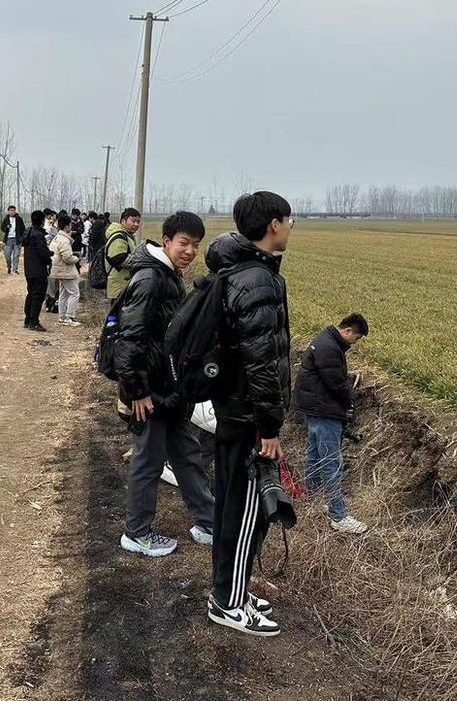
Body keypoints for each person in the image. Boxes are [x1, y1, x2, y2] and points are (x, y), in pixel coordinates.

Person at [206, 191, 293, 638]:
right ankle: (228, 602)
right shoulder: (258, 279)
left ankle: (230, 589)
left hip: (233, 410)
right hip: (247, 417)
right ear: (273, 225)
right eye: (289, 220)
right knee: (244, 512)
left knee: (231, 505)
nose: (291, 228)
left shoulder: (238, 270)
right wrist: (269, 427)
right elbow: (261, 362)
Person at [116, 211, 215, 557]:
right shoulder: (149, 278)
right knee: (149, 460)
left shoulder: (169, 274)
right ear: (167, 240)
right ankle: (137, 533)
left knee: (187, 454)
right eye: (184, 243)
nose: (190, 251)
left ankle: (208, 521)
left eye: (196, 245)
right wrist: (137, 391)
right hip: (150, 391)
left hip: (170, 389)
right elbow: (130, 339)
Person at [294, 313, 370, 534]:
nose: (354, 343)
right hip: (324, 410)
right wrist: (348, 406)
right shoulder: (329, 348)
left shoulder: (324, 340)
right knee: (330, 462)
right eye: (356, 338)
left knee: (315, 455)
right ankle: (339, 515)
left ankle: (313, 501)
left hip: (314, 407)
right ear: (348, 331)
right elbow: (336, 384)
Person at [21, 209, 52, 331]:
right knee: (38, 296)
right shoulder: (38, 235)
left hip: (29, 269)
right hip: (38, 270)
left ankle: (28, 320)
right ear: (42, 221)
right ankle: (34, 321)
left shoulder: (28, 232)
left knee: (30, 294)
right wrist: (49, 256)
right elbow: (42, 253)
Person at [50, 211, 81, 327]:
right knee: (75, 293)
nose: (71, 226)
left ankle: (62, 317)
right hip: (65, 271)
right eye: (70, 225)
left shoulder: (57, 238)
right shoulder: (64, 240)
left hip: (59, 270)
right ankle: (69, 317)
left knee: (63, 294)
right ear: (67, 226)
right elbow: (67, 258)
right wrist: (77, 258)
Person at [104, 208, 142, 300]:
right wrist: (142, 259)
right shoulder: (119, 237)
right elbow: (119, 259)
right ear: (123, 221)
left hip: (124, 285)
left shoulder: (127, 236)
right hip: (119, 287)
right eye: (133, 221)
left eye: (138, 222)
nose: (136, 224)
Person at [1, 206, 24, 274]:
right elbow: (2, 228)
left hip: (17, 239)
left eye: (13, 210)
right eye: (11, 210)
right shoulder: (6, 219)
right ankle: (9, 267)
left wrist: (21, 237)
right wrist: (7, 228)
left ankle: (15, 270)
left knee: (16, 255)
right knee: (7, 254)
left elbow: (23, 229)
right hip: (8, 239)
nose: (12, 211)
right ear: (8, 211)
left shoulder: (19, 219)